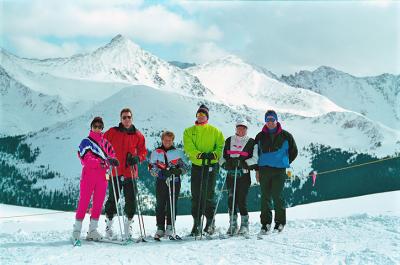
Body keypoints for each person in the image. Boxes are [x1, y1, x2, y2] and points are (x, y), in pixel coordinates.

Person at [72, 117, 119, 243]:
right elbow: (86, 159)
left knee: (98, 203)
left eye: (100, 126)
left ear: (102, 128)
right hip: (89, 176)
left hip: (103, 177)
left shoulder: (106, 144)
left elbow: (112, 156)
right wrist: (104, 162)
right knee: (84, 201)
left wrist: (113, 161)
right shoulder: (85, 142)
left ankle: (92, 230)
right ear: (91, 127)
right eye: (95, 126)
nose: (97, 128)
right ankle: (76, 230)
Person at [103, 108, 147, 239]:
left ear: (132, 118)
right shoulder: (112, 132)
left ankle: (128, 228)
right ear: (120, 119)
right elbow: (102, 143)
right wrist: (108, 157)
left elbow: (143, 151)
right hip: (115, 171)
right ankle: (109, 227)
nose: (127, 119)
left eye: (129, 117)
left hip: (130, 172)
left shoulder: (138, 135)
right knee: (112, 200)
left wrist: (138, 158)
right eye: (124, 117)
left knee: (131, 201)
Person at [183, 104, 224, 236]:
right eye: (199, 115)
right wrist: (199, 154)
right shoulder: (189, 131)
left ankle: (210, 223)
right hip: (197, 166)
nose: (201, 117)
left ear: (207, 117)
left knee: (208, 195)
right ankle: (197, 223)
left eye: (203, 115)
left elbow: (220, 146)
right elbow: (189, 147)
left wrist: (214, 155)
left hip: (211, 166)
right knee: (196, 195)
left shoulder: (215, 131)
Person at [255, 110, 298, 234]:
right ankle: (266, 224)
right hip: (264, 170)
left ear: (276, 120)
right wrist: (257, 170)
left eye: (272, 119)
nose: (270, 122)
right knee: (265, 198)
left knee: (278, 197)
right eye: (267, 120)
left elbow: (294, 151)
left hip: (279, 171)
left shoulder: (286, 136)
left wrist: (284, 161)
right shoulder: (260, 136)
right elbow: (255, 155)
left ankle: (279, 223)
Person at [148, 131, 189, 239]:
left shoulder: (178, 152)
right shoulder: (156, 152)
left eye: (170, 140)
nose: (167, 142)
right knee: (160, 203)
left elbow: (186, 167)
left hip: (174, 181)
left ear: (172, 141)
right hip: (161, 181)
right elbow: (151, 167)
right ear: (162, 140)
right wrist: (160, 172)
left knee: (172, 203)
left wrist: (178, 171)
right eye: (165, 140)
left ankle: (170, 227)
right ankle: (160, 227)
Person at [220, 120, 257, 235]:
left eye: (243, 128)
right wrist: (225, 164)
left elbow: (255, 159)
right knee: (231, 199)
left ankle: (245, 225)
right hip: (231, 174)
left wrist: (242, 163)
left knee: (241, 199)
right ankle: (233, 224)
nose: (241, 130)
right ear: (236, 128)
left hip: (244, 175)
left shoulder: (251, 142)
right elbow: (221, 157)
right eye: (239, 128)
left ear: (246, 129)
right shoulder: (229, 140)